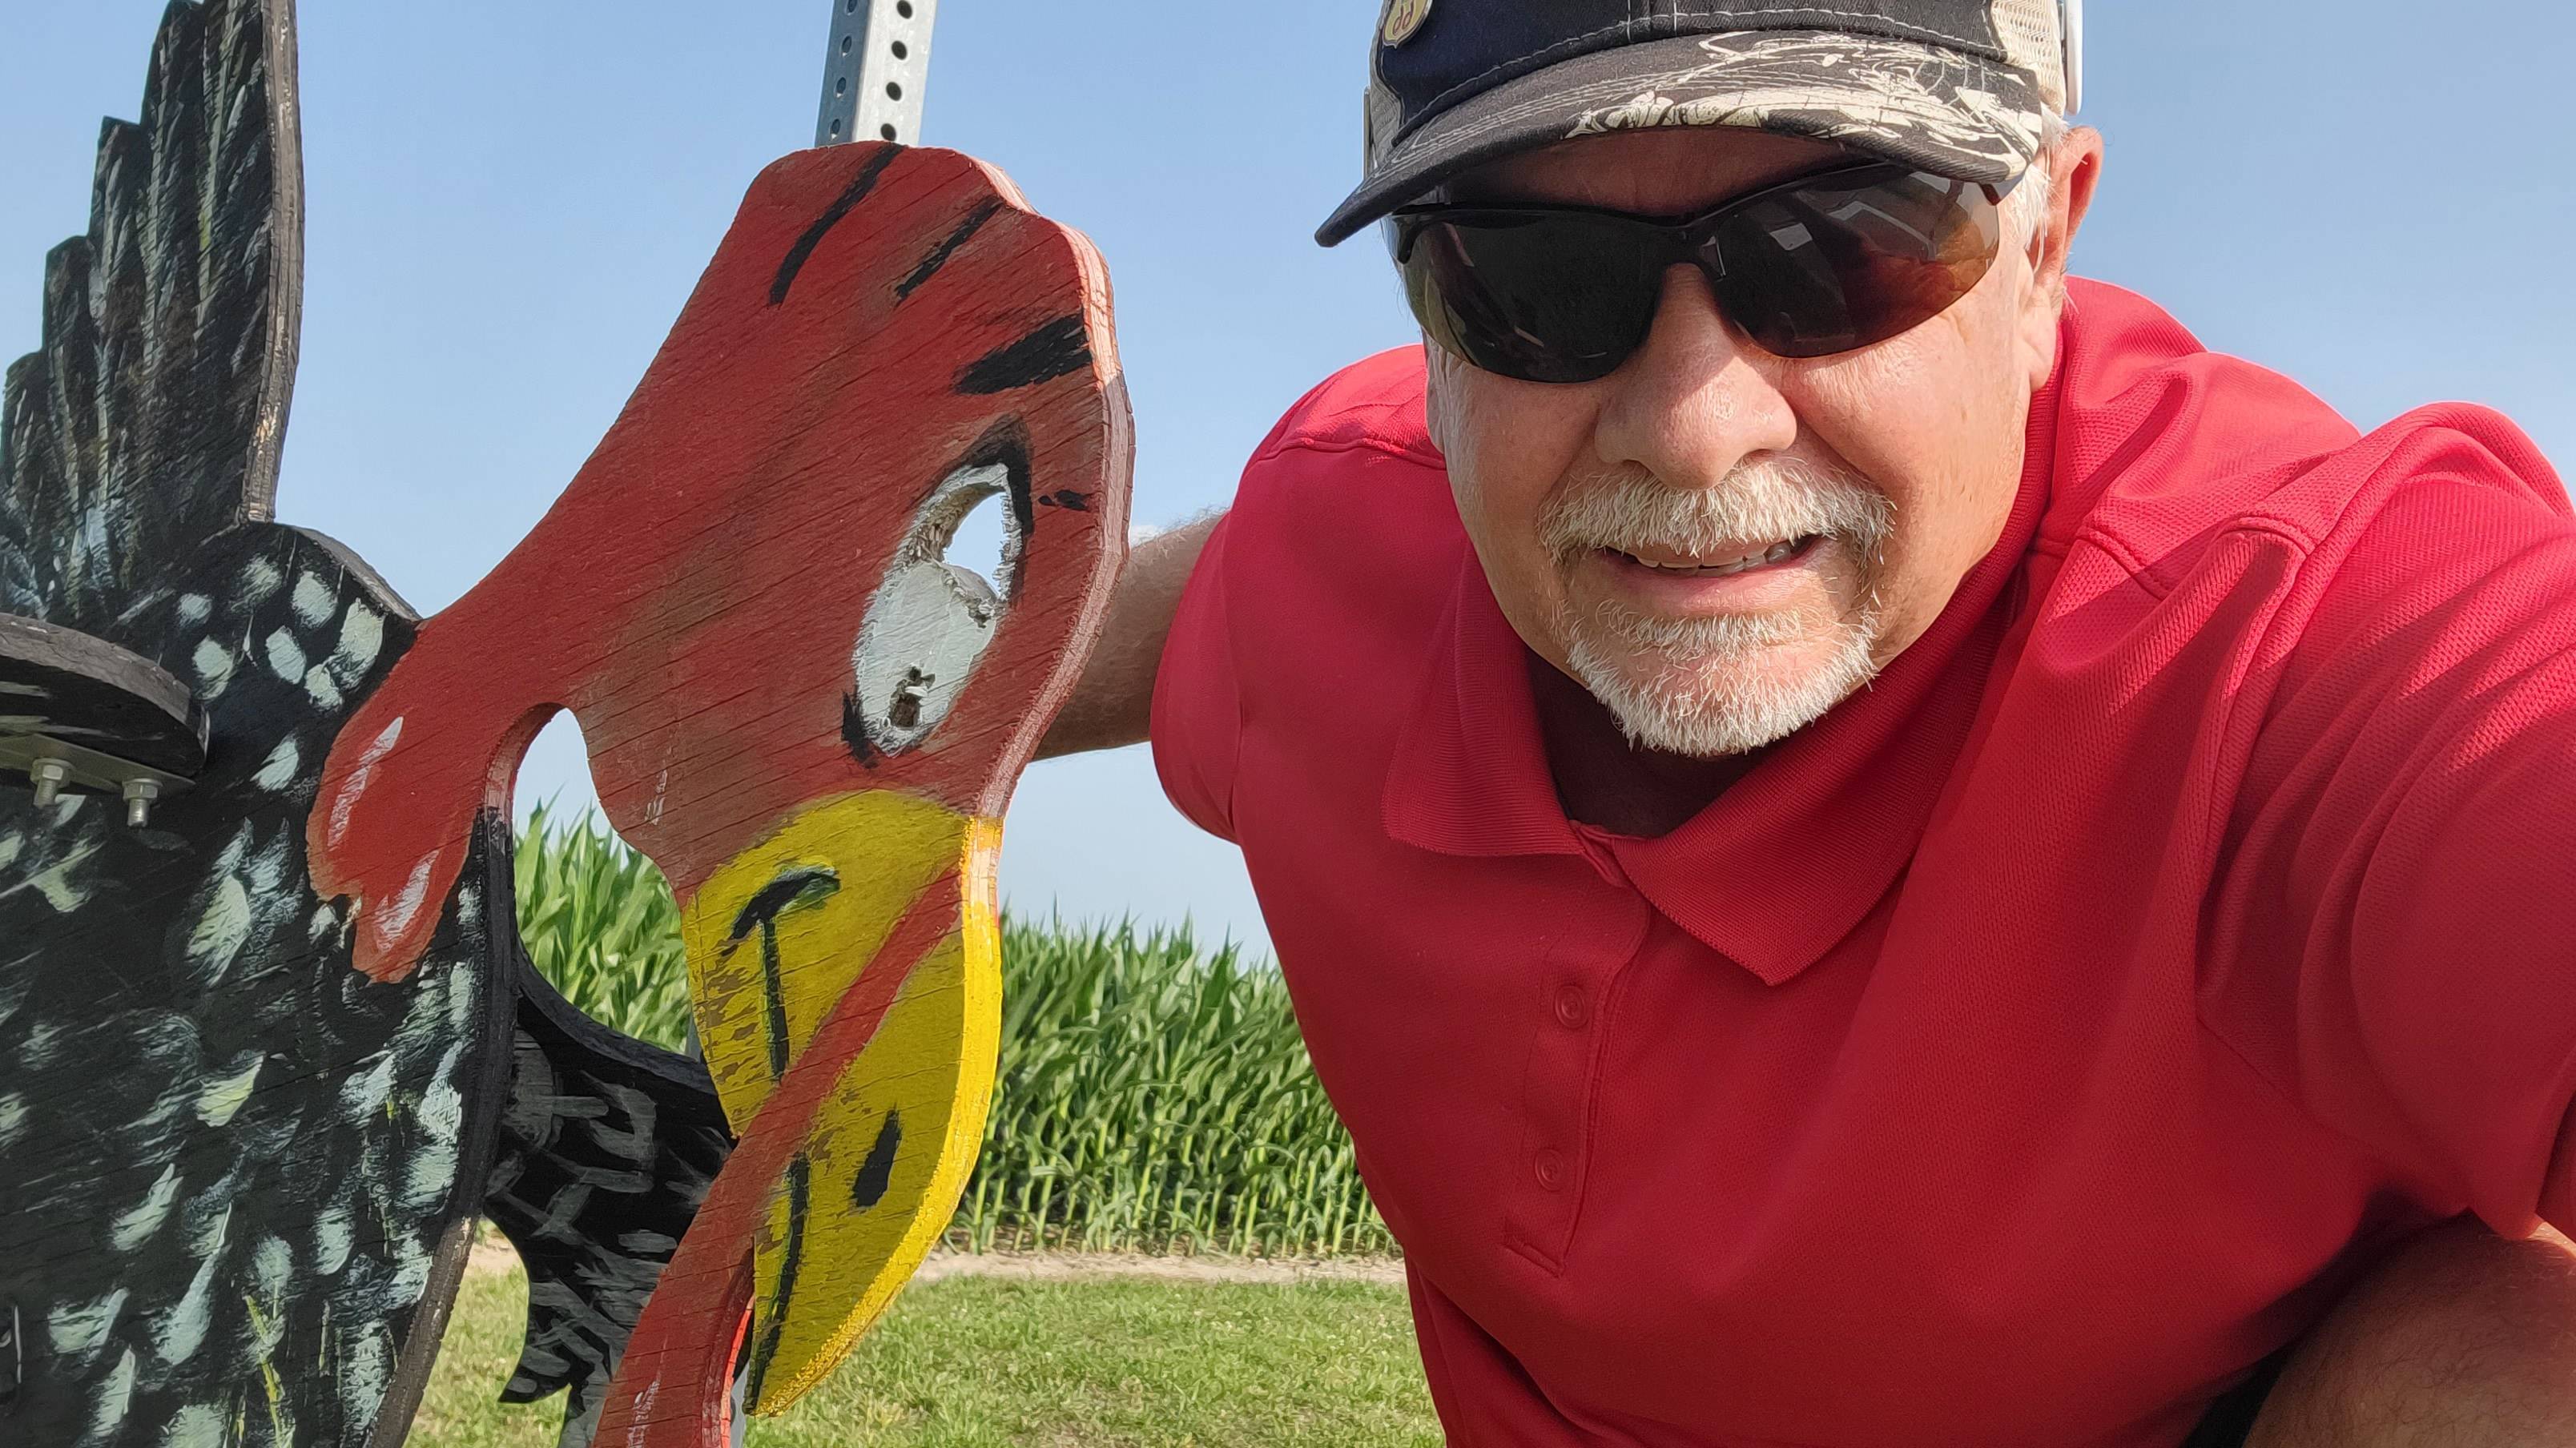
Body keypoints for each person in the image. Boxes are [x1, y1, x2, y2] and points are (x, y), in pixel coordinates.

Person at [1038, 2, 2576, 1443]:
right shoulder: (1336, 548)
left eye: (1841, 249)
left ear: (2045, 248)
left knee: (2497, 1358)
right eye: (1531, 280)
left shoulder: (2284, 642)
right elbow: (1020, 664)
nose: (1695, 431)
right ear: (1431, 329)